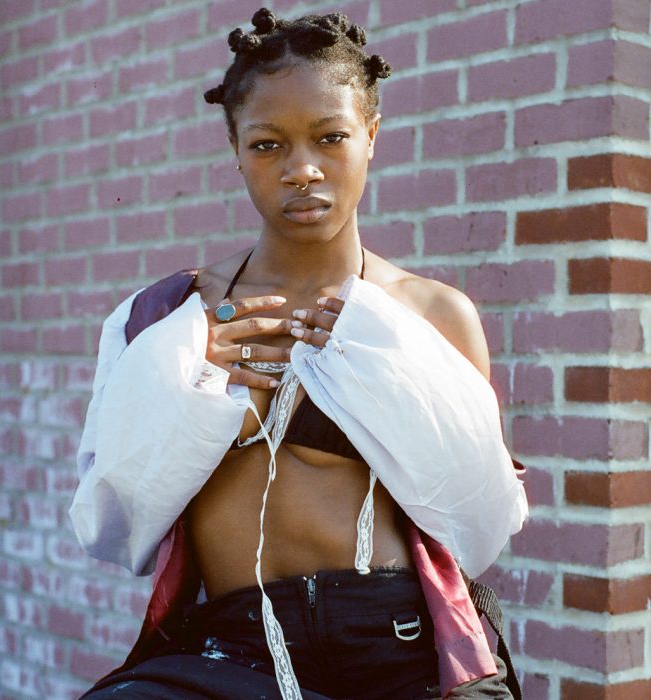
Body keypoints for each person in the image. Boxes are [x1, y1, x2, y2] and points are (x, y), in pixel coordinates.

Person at [69, 8, 527, 699]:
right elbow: (112, 523)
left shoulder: (432, 316)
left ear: (371, 136)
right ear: (236, 150)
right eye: (267, 145)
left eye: (331, 137)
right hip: (232, 652)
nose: (302, 169)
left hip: (398, 647)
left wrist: (391, 366)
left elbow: (478, 519)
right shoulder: (169, 319)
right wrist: (181, 386)